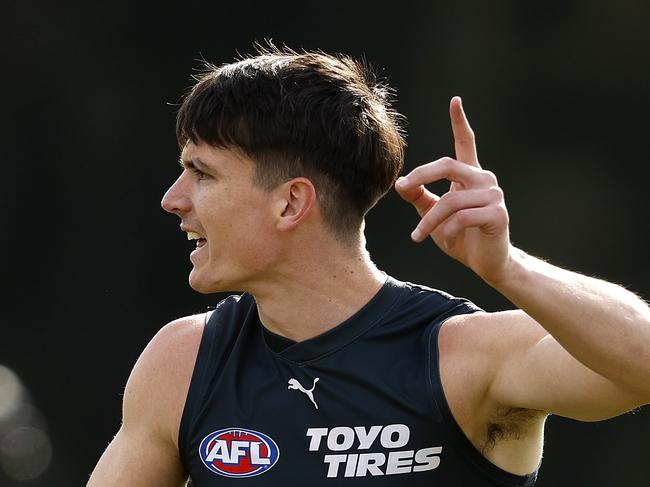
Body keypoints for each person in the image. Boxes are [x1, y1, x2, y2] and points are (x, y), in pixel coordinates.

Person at [87, 45, 650, 486]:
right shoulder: (183, 363)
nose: (172, 198)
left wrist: (510, 269)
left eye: (201, 173)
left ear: (291, 202)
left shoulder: (457, 356)